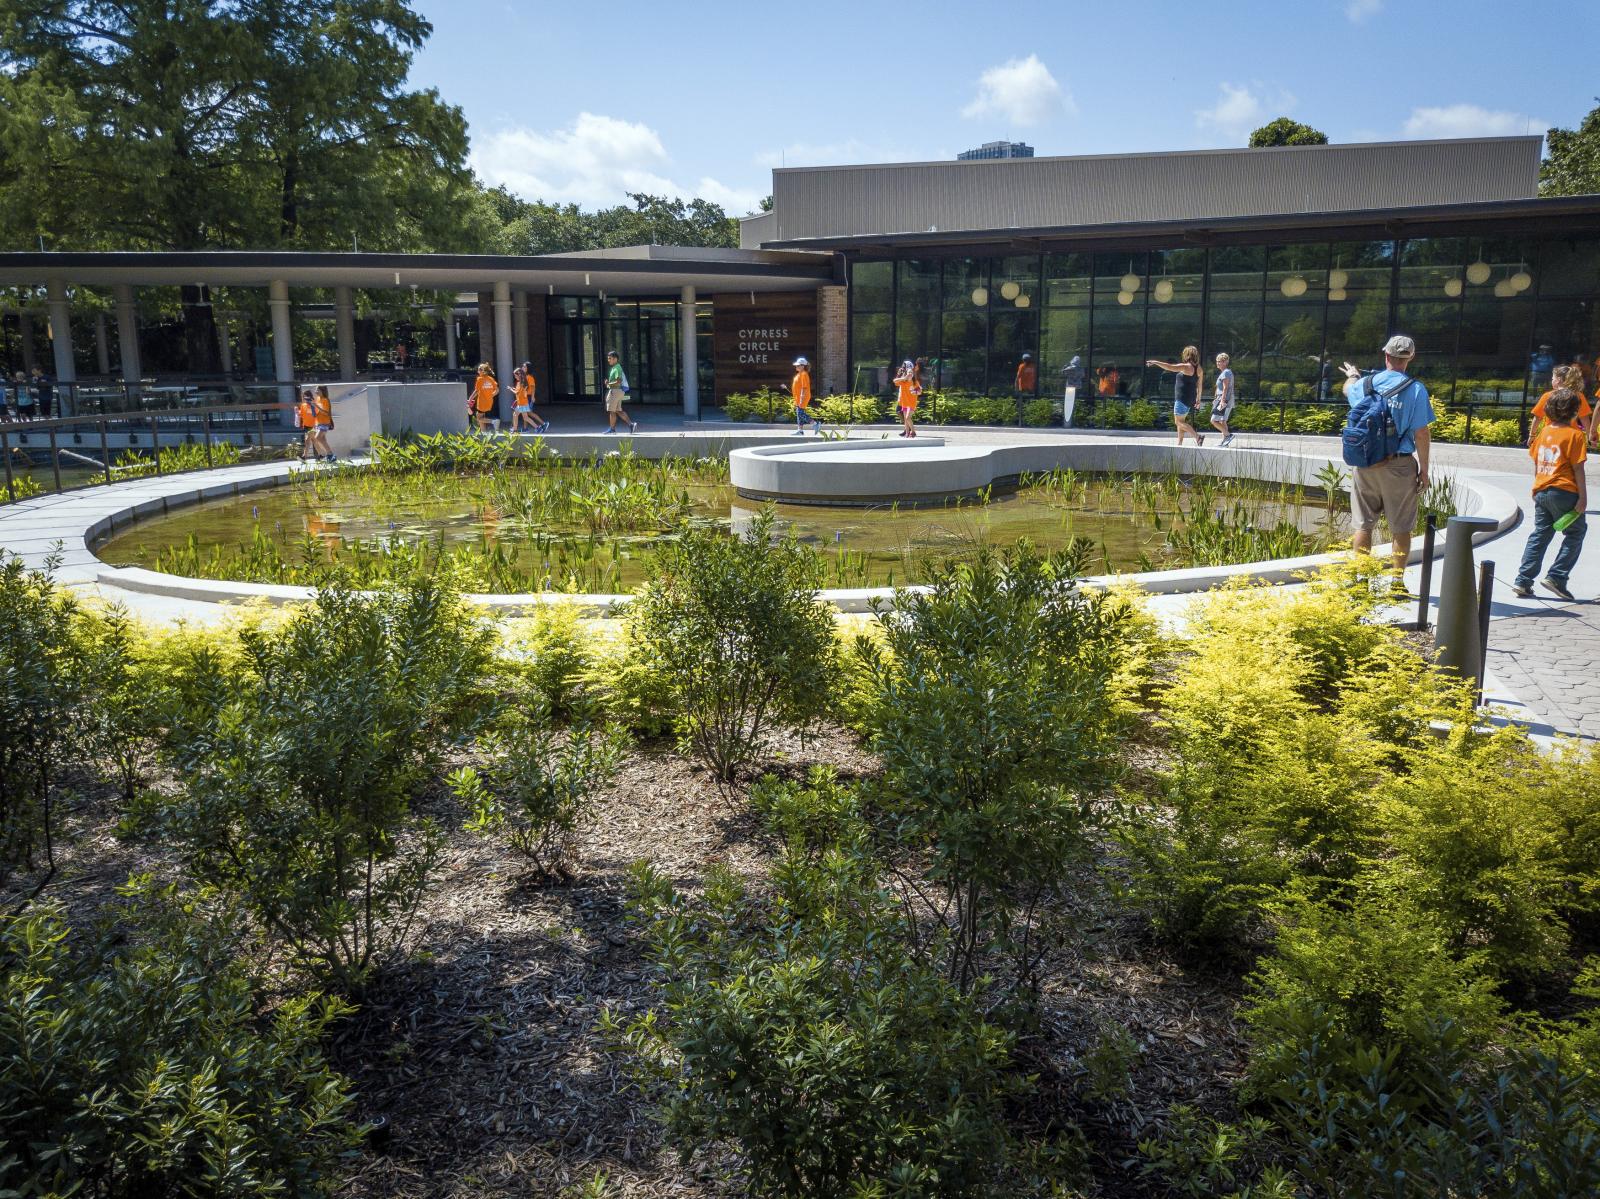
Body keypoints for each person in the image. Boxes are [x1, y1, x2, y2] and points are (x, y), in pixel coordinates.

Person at [1338, 334, 1435, 578]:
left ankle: (1361, 580)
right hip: (1400, 466)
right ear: (1410, 357)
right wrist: (1424, 470)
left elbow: (1347, 389)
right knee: (1401, 528)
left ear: (1386, 355)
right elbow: (1421, 434)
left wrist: (1352, 375)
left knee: (1363, 525)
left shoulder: (1365, 384)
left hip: (1365, 463)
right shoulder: (1415, 389)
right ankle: (1397, 583)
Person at [1512, 387, 1587, 601]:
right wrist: (1583, 497)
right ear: (1574, 411)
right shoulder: (1575, 435)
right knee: (1575, 533)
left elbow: (1537, 461)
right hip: (1565, 491)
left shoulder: (1544, 432)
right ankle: (1557, 576)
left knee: (1540, 534)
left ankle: (1523, 581)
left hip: (1542, 490)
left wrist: (1537, 486)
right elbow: (1578, 468)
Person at [1148, 346, 1205, 446]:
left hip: (1181, 398)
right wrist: (1198, 400)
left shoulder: (1186, 366)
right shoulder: (1199, 369)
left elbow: (1169, 367)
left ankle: (1197, 437)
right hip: (1190, 399)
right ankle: (1179, 443)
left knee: (1178, 422)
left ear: (1187, 355)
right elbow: (1199, 386)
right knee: (1181, 421)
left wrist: (1155, 362)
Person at [1528, 364, 1594, 447]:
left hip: (1551, 436)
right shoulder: (1578, 396)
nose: (1551, 380)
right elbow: (1584, 418)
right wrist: (1589, 436)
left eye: (1552, 378)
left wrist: (1532, 435)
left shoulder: (1548, 396)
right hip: (1571, 438)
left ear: (1558, 380)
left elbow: (1538, 417)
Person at [602, 349, 637, 434]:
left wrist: (609, 383)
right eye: (608, 358)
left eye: (610, 358)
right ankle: (631, 425)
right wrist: (608, 384)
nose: (608, 360)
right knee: (618, 410)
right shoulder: (616, 367)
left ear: (615, 359)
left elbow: (619, 381)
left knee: (612, 411)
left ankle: (612, 429)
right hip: (619, 391)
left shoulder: (617, 368)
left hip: (615, 391)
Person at [1209, 353, 1236, 445]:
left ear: (1225, 362)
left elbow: (1225, 387)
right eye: (1217, 361)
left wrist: (1222, 400)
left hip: (1224, 400)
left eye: (1219, 361)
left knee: (1213, 420)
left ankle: (1228, 435)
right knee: (1222, 420)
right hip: (1222, 399)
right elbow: (1219, 388)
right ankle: (1225, 441)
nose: (1217, 363)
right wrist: (1216, 398)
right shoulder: (1225, 372)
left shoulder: (1226, 372)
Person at [787, 356, 817, 434]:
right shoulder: (799, 374)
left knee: (800, 413)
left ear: (803, 366)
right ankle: (800, 431)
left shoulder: (804, 374)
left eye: (798, 365)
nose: (796, 366)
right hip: (798, 397)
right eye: (796, 365)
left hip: (803, 397)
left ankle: (815, 424)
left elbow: (804, 387)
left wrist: (801, 398)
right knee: (799, 413)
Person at [893, 359, 920, 437]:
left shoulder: (912, 377)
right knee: (900, 412)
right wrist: (902, 377)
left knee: (905, 416)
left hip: (908, 399)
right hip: (903, 397)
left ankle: (908, 430)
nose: (903, 366)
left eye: (905, 365)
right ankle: (907, 430)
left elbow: (918, 389)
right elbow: (896, 381)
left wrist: (917, 392)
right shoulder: (902, 373)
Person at [470, 362, 499, 433]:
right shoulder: (491, 379)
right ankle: (484, 432)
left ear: (482, 371)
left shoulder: (479, 379)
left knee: (478, 418)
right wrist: (491, 395)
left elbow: (476, 391)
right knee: (481, 416)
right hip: (489, 401)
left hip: (482, 402)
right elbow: (497, 390)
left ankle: (493, 421)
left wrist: (470, 399)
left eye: (479, 369)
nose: (477, 371)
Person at [312, 385, 336, 462]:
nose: (316, 392)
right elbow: (316, 411)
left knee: (317, 437)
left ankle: (327, 455)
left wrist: (316, 406)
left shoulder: (325, 400)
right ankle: (330, 455)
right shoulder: (317, 399)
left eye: (318, 390)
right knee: (322, 440)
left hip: (324, 422)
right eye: (316, 390)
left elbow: (325, 412)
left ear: (322, 391)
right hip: (318, 422)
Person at [296, 388, 318, 461]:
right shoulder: (303, 405)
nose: (305, 398)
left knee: (307, 440)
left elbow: (316, 414)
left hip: (313, 425)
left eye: (306, 396)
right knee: (314, 440)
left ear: (310, 396)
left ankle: (304, 457)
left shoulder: (314, 404)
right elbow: (302, 415)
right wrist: (297, 412)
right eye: (303, 397)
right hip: (306, 426)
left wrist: (312, 405)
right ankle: (322, 455)